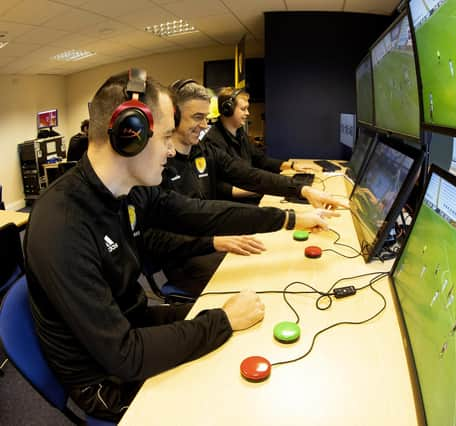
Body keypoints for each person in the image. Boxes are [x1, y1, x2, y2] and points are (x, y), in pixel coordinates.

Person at [24, 69, 336, 422]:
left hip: (135, 325)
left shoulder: (129, 191)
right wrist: (222, 321)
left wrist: (290, 218)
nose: (172, 151)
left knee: (252, 328)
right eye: (166, 137)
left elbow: (201, 212)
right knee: (229, 396)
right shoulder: (63, 227)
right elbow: (124, 356)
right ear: (131, 135)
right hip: (106, 379)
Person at [145, 79, 347, 294]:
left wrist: (303, 190)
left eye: (205, 118)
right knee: (263, 280)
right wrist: (215, 242)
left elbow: (249, 175)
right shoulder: (158, 167)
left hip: (215, 240)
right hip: (186, 258)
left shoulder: (203, 150)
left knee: (274, 260)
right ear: (174, 117)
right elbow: (182, 222)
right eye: (197, 117)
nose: (204, 125)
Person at [201, 87, 309, 203]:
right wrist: (267, 189)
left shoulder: (240, 133)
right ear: (227, 110)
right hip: (235, 205)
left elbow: (261, 160)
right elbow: (219, 187)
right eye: (243, 109)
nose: (248, 113)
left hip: (252, 195)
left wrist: (292, 166)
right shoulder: (212, 141)